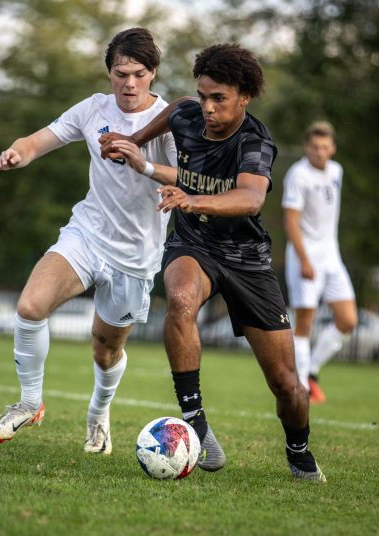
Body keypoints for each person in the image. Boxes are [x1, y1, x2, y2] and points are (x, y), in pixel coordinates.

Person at [100, 43, 326, 481]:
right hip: (194, 244)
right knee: (181, 297)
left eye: (218, 98)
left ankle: (298, 451)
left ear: (244, 96)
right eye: (203, 95)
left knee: (287, 385)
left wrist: (191, 197)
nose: (206, 106)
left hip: (247, 260)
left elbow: (250, 198)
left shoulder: (254, 141)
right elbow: (177, 108)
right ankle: (197, 422)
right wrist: (133, 141)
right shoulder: (188, 113)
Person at [0, 27, 177, 453]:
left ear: (153, 74)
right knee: (31, 305)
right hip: (87, 234)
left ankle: (99, 412)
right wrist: (18, 152)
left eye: (139, 74)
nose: (129, 83)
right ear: (109, 73)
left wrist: (142, 163)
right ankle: (29, 403)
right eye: (120, 73)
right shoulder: (93, 109)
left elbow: (186, 178)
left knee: (105, 351)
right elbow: (39, 140)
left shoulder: (168, 121)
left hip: (136, 255)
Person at [282, 121, 357, 404]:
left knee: (348, 320)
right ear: (306, 147)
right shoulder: (298, 175)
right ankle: (300, 386)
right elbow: (290, 220)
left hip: (331, 255)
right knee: (305, 323)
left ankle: (311, 371)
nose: (320, 152)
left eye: (325, 147)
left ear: (333, 148)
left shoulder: (337, 171)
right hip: (305, 256)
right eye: (315, 147)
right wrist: (304, 259)